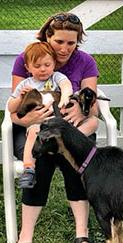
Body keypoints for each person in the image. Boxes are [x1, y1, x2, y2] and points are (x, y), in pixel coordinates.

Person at [11, 12, 99, 243]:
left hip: (72, 127)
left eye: (71, 43)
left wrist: (81, 112)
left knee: (74, 155)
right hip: (33, 128)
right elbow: (15, 111)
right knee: (44, 155)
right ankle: (25, 237)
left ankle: (81, 233)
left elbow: (91, 107)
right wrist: (29, 121)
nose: (64, 49)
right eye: (59, 41)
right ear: (47, 36)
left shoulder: (85, 62)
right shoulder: (28, 60)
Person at [8, 42, 73, 189]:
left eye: (47, 65)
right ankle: (28, 169)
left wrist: (65, 97)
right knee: (32, 133)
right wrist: (19, 98)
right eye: (37, 66)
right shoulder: (25, 84)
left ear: (54, 64)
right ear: (28, 68)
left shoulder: (56, 77)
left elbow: (66, 85)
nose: (43, 69)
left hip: (57, 121)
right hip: (37, 123)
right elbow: (10, 107)